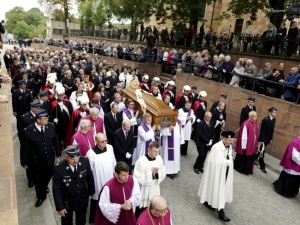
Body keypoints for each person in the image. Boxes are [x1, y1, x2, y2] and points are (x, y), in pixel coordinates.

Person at [20, 109, 61, 207]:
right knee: (38, 180)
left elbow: (55, 140)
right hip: (36, 162)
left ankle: (44, 186)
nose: (48, 119)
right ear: (38, 120)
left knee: (47, 176)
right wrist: (24, 162)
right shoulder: (28, 131)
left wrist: (58, 153)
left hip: (49, 159)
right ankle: (41, 196)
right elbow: (24, 148)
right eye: (45, 118)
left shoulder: (51, 126)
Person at [52, 145, 95, 225]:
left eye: (77, 158)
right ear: (66, 156)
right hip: (67, 202)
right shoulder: (59, 169)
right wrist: (60, 207)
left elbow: (90, 177)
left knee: (81, 221)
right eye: (72, 158)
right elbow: (56, 189)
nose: (75, 161)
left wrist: (91, 192)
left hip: (82, 199)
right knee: (67, 222)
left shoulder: (85, 161)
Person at [198, 131, 235, 222]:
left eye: (232, 140)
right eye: (230, 140)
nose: (231, 142)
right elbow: (212, 162)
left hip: (225, 172)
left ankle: (209, 201)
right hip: (217, 173)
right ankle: (221, 213)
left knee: (220, 188)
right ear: (225, 138)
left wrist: (230, 158)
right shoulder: (216, 147)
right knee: (218, 189)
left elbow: (227, 156)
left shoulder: (228, 146)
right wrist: (225, 162)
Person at [86, 133, 116, 223]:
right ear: (96, 142)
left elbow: (113, 161)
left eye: (105, 141)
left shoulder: (110, 148)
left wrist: (115, 173)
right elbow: (89, 170)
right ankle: (95, 218)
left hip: (110, 177)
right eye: (102, 142)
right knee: (97, 198)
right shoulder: (90, 153)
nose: (104, 143)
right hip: (98, 180)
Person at [133, 141, 166, 217]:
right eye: (154, 151)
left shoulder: (159, 158)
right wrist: (151, 174)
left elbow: (163, 171)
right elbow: (137, 177)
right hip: (145, 190)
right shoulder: (141, 161)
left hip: (155, 188)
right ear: (149, 149)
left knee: (154, 208)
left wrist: (157, 173)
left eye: (158, 151)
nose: (156, 154)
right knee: (142, 211)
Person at [19, 100, 42, 187]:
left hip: (39, 146)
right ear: (33, 109)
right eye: (38, 108)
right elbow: (22, 135)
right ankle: (30, 179)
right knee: (30, 167)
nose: (40, 109)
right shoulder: (24, 118)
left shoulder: (41, 116)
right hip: (30, 148)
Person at [234, 111, 259, 175]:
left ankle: (248, 169)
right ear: (250, 117)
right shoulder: (246, 124)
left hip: (252, 144)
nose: (256, 117)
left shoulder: (255, 123)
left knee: (250, 157)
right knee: (244, 156)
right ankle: (241, 168)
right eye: (255, 116)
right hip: (246, 144)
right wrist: (244, 146)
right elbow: (244, 136)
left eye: (256, 116)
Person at [255, 107, 277, 173]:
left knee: (259, 151)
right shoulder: (266, 119)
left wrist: (270, 139)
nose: (275, 113)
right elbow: (262, 130)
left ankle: (251, 160)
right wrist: (261, 140)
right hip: (263, 139)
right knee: (262, 152)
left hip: (267, 139)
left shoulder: (273, 119)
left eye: (275, 112)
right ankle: (262, 166)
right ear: (270, 112)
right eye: (274, 112)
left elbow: (271, 130)